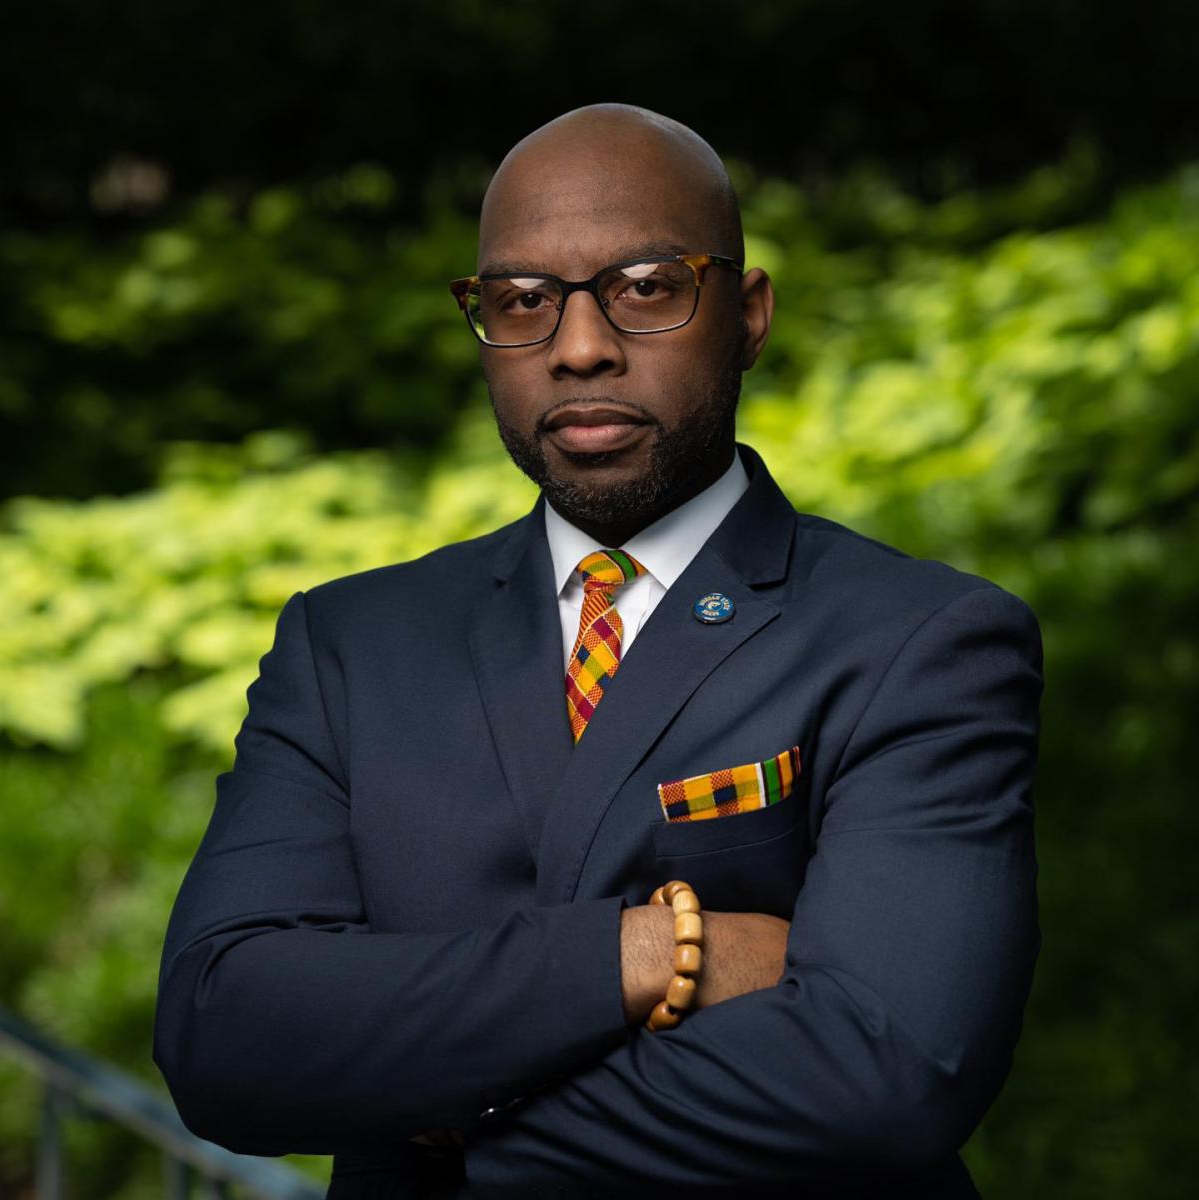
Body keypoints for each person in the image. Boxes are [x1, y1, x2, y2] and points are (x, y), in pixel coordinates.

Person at [153, 104, 1043, 1199]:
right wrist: (654, 954)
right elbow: (219, 1033)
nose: (579, 346)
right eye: (522, 302)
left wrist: (431, 1109)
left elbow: (892, 1069)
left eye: (648, 286)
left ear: (750, 314)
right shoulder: (350, 645)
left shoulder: (920, 641)